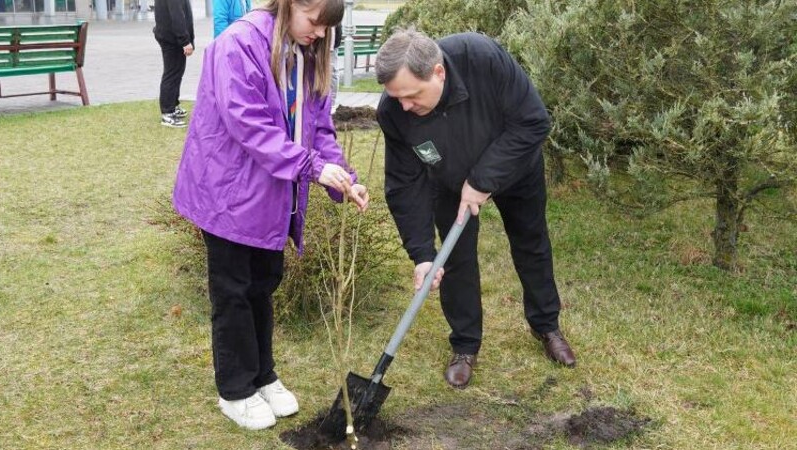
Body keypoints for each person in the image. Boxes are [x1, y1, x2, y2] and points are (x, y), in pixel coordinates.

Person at [172, 0, 368, 430]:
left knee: (262, 285)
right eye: (315, 22)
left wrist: (343, 177)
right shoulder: (238, 44)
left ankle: (262, 375)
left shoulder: (308, 53)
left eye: (327, 27)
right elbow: (250, 125)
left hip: (273, 193)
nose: (320, 33)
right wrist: (312, 167)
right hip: (228, 191)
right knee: (233, 291)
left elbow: (318, 128)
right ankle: (235, 389)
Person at [375, 29, 577, 389]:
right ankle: (465, 345)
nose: (405, 106)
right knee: (456, 259)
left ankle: (546, 326)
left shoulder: (482, 58)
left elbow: (533, 121)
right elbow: (404, 185)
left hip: (515, 169)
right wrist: (422, 254)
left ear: (438, 72)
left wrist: (482, 180)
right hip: (448, 181)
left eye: (412, 95)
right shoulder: (394, 111)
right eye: (397, 97)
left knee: (531, 243)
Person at [153, 0, 195, 128]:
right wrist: (185, 41)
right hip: (171, 38)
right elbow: (177, 15)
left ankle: (173, 104)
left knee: (177, 72)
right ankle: (167, 112)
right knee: (172, 74)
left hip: (173, 37)